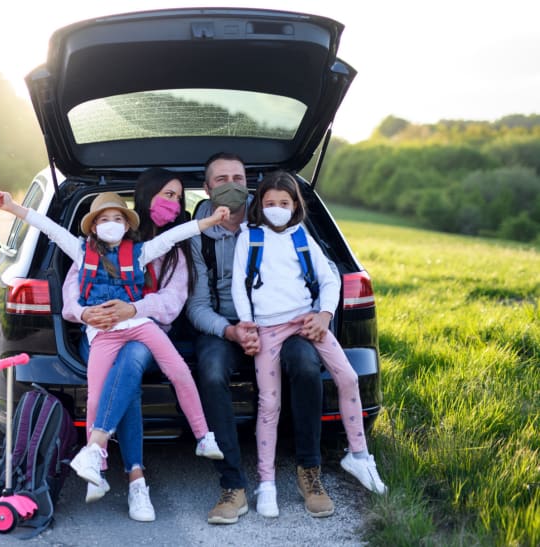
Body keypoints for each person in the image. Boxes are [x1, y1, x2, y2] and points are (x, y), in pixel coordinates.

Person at [0, 187, 229, 489]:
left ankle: (203, 436)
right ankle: (97, 460)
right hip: (102, 335)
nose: (112, 223)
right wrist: (14, 207)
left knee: (180, 371)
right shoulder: (79, 251)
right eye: (105, 219)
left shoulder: (141, 252)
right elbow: (48, 227)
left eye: (118, 218)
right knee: (95, 396)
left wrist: (209, 222)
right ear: (93, 226)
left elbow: (173, 237)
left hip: (140, 325)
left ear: (128, 225)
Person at [186, 152, 333, 524]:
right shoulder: (198, 234)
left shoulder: (276, 209)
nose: (232, 184)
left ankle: (309, 473)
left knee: (304, 363)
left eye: (239, 177)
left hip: (284, 322)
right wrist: (231, 330)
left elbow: (323, 268)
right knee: (213, 371)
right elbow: (197, 305)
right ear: (206, 188)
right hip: (225, 326)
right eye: (222, 179)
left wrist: (321, 313)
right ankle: (233, 488)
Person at [232, 170, 387, 517]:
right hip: (269, 330)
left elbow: (329, 279)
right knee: (269, 405)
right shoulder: (250, 237)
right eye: (269, 203)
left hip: (307, 323)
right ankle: (266, 482)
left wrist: (325, 316)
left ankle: (359, 456)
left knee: (348, 378)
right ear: (259, 205)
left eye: (283, 203)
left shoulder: (302, 236)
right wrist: (247, 323)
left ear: (294, 205)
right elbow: (239, 287)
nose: (276, 208)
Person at [60, 167, 199, 522]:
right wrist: (84, 313)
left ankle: (102, 455)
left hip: (146, 333)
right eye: (167, 194)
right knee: (128, 381)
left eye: (178, 198)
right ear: (146, 197)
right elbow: (73, 290)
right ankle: (136, 479)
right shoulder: (99, 250)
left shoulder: (172, 252)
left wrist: (134, 308)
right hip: (102, 331)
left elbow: (172, 303)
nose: (174, 203)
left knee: (132, 360)